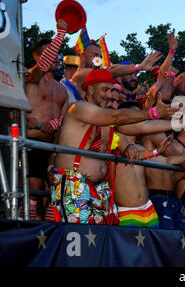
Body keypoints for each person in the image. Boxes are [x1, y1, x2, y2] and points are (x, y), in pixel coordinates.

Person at [49, 68, 177, 224]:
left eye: (111, 90)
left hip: (101, 190)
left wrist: (182, 123)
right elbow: (117, 116)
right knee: (81, 241)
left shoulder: (106, 121)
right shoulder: (78, 108)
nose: (109, 96)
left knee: (102, 242)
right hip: (75, 186)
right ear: (90, 89)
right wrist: (154, 112)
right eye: (105, 90)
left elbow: (143, 126)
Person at [25, 20, 69, 220]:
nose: (55, 57)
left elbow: (66, 117)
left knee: (56, 188)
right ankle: (29, 228)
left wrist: (57, 123)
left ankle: (50, 234)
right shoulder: (31, 77)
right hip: (31, 141)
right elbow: (40, 68)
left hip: (53, 146)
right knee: (34, 187)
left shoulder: (62, 88)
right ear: (36, 56)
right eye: (50, 52)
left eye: (56, 52)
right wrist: (59, 35)